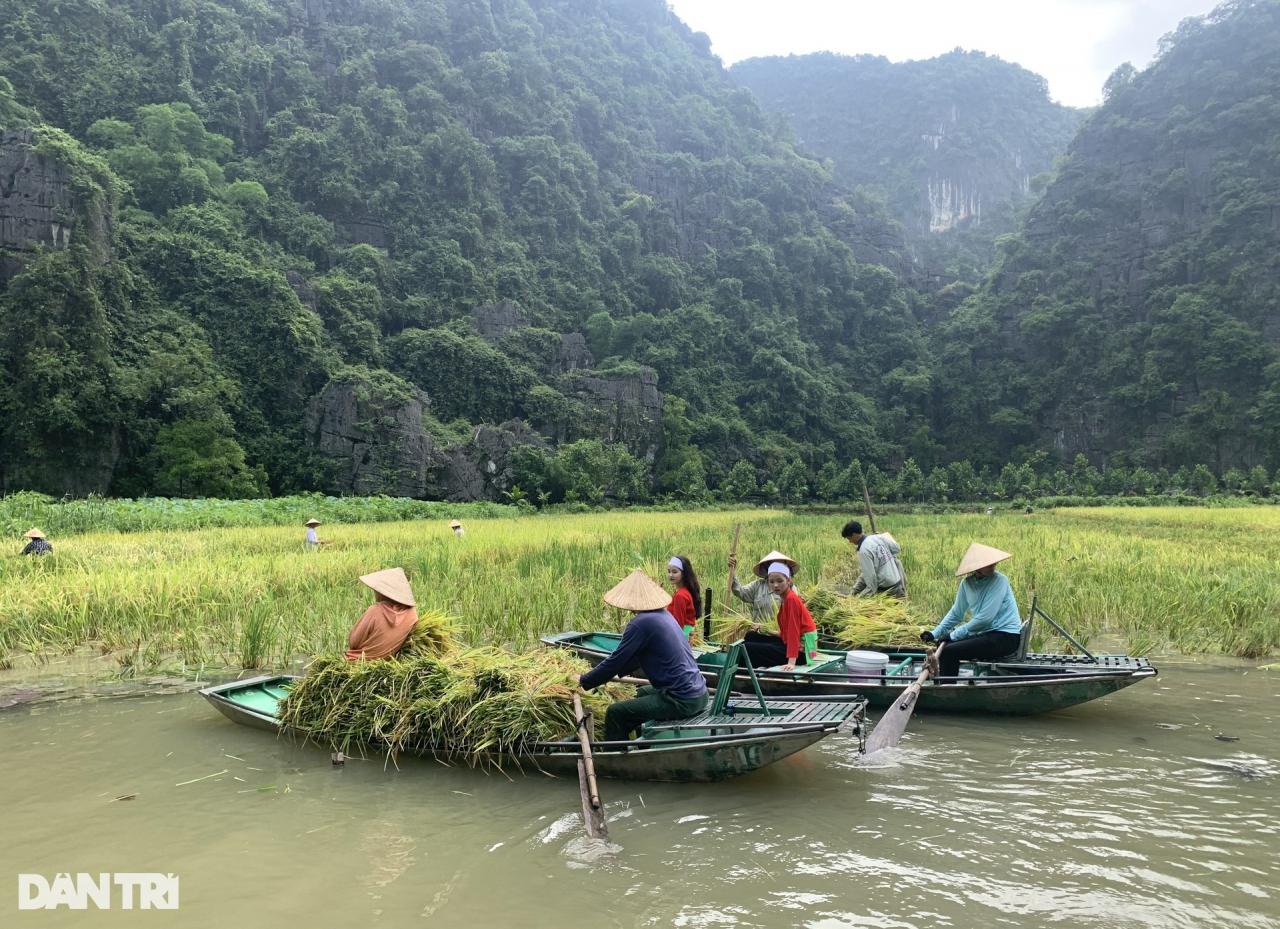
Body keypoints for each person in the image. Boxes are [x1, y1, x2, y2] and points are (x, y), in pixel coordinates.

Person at [578, 569, 709, 740]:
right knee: (641, 693)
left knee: (615, 713)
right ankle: (643, 741)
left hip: (682, 700)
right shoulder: (664, 615)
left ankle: (618, 761)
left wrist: (584, 681)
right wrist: (611, 673)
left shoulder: (641, 623)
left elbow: (616, 661)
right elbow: (633, 659)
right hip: (700, 693)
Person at [921, 543, 1023, 678]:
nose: (994, 564)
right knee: (944, 645)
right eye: (989, 563)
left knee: (949, 651)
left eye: (994, 562)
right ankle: (946, 684)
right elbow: (956, 613)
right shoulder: (967, 584)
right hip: (987, 634)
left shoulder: (1000, 581)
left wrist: (953, 635)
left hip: (1005, 636)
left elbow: (984, 619)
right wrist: (935, 633)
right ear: (978, 567)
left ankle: (948, 691)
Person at [741, 562, 819, 670]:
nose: (775, 585)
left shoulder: (791, 599)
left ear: (788, 580)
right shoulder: (785, 598)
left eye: (780, 581)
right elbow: (785, 633)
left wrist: (791, 662)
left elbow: (793, 631)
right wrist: (764, 630)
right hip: (793, 645)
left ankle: (746, 674)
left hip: (804, 651)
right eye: (771, 582)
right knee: (751, 636)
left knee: (747, 648)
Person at [345, 567, 419, 661]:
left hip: (358, 663)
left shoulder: (375, 611)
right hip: (386, 663)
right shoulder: (412, 614)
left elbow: (353, 641)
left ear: (384, 593)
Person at [727, 549, 796, 623]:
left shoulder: (790, 589)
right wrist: (732, 572)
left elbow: (793, 616)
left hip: (779, 633)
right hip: (758, 631)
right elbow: (741, 592)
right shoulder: (758, 585)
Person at [840, 521, 905, 598]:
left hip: (887, 591)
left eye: (849, 538)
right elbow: (897, 549)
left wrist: (858, 599)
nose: (850, 542)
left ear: (854, 535)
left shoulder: (864, 550)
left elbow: (871, 583)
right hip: (898, 584)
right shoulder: (877, 537)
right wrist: (853, 591)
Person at [665, 555, 701, 640]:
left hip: (681, 637)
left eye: (674, 572)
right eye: (669, 571)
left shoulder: (680, 595)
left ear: (684, 573)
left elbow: (678, 623)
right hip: (686, 635)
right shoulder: (684, 592)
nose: (670, 575)